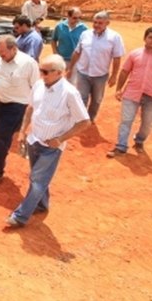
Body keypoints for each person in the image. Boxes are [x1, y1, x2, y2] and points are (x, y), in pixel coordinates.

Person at [7, 55, 90, 227]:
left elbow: (84, 122)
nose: (42, 75)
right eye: (41, 70)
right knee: (39, 178)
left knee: (37, 179)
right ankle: (42, 204)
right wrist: (23, 131)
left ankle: (20, 216)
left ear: (59, 73)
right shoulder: (38, 85)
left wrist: (60, 139)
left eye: (45, 72)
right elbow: (30, 108)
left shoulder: (70, 93)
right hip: (34, 140)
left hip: (51, 147)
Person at [107, 26, 152, 158]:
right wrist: (119, 89)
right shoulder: (135, 54)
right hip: (131, 93)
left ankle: (139, 140)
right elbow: (125, 71)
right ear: (145, 38)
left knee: (148, 124)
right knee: (126, 121)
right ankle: (121, 146)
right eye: (151, 37)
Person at [0, 35, 39, 187]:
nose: (0, 55)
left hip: (16, 105)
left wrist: (33, 109)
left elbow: (36, 87)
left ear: (14, 49)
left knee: (2, 136)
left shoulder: (28, 63)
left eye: (3, 52)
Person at [66, 11, 125, 123]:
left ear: (107, 23)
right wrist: (70, 68)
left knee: (96, 100)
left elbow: (117, 58)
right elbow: (77, 52)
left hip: (100, 75)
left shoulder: (115, 37)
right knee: (82, 97)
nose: (97, 25)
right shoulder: (85, 34)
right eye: (95, 22)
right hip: (83, 72)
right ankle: (81, 119)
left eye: (100, 23)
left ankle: (91, 117)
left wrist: (114, 76)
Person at [51, 7, 88, 78]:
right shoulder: (59, 26)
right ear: (68, 16)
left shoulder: (84, 28)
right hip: (61, 60)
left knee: (72, 83)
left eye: (79, 18)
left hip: (76, 62)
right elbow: (53, 40)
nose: (77, 20)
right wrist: (55, 53)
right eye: (74, 18)